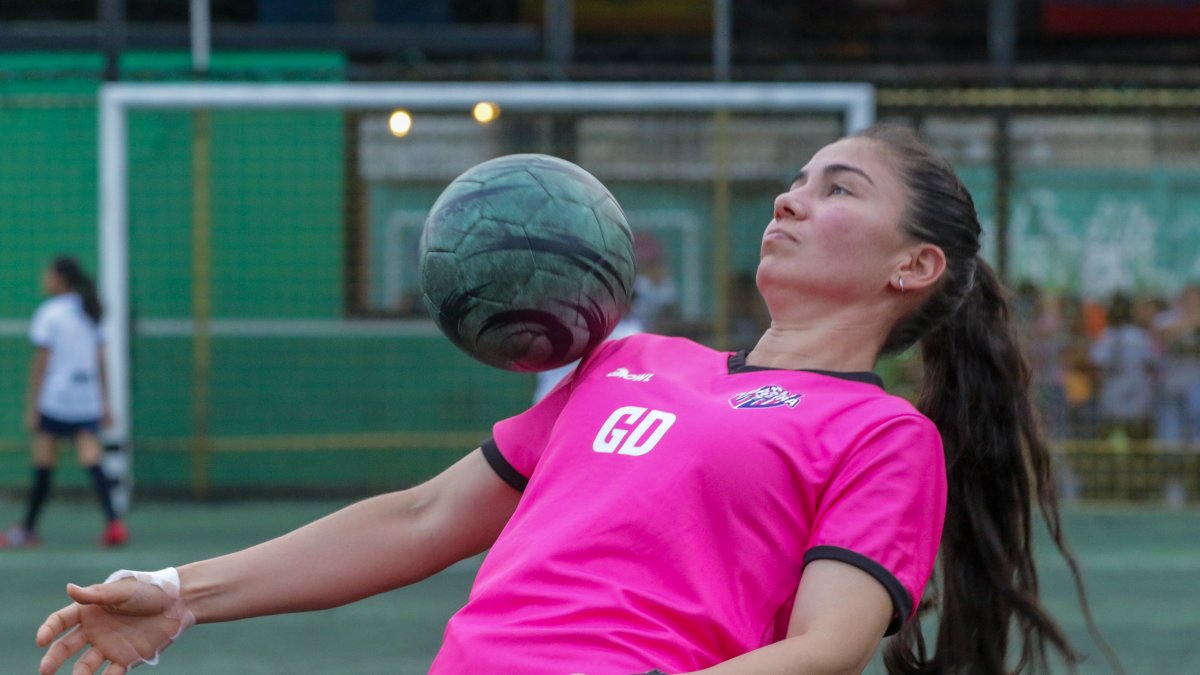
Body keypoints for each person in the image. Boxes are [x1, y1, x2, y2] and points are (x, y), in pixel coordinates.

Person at [36, 125, 1110, 675]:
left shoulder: (882, 434)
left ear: (914, 266)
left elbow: (825, 648)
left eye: (839, 188)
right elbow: (421, 517)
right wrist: (179, 592)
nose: (791, 198)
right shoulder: (634, 361)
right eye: (797, 179)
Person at [1, 256, 127, 549]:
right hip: (86, 399)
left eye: (48, 273)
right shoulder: (90, 311)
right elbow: (100, 362)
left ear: (60, 278)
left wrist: (33, 405)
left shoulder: (50, 313)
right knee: (92, 460)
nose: (44, 278)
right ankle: (114, 525)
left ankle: (28, 530)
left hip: (56, 399)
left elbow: (41, 363)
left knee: (43, 464)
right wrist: (105, 403)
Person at [1090, 292, 1159, 443]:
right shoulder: (1117, 335)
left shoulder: (1114, 335)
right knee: (1120, 428)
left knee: (1129, 428)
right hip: (1119, 387)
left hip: (1131, 387)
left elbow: (1097, 362)